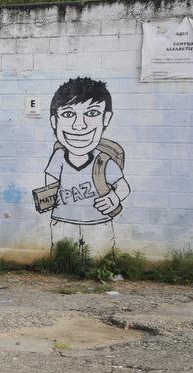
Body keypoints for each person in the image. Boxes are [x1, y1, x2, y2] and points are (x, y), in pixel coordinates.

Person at [41, 77, 130, 257]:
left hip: (99, 222)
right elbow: (51, 181)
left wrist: (114, 198)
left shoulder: (103, 160)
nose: (79, 125)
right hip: (62, 220)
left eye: (92, 113)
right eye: (68, 114)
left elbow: (123, 186)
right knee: (64, 256)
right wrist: (49, 198)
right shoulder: (58, 157)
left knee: (99, 255)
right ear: (54, 121)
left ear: (106, 118)